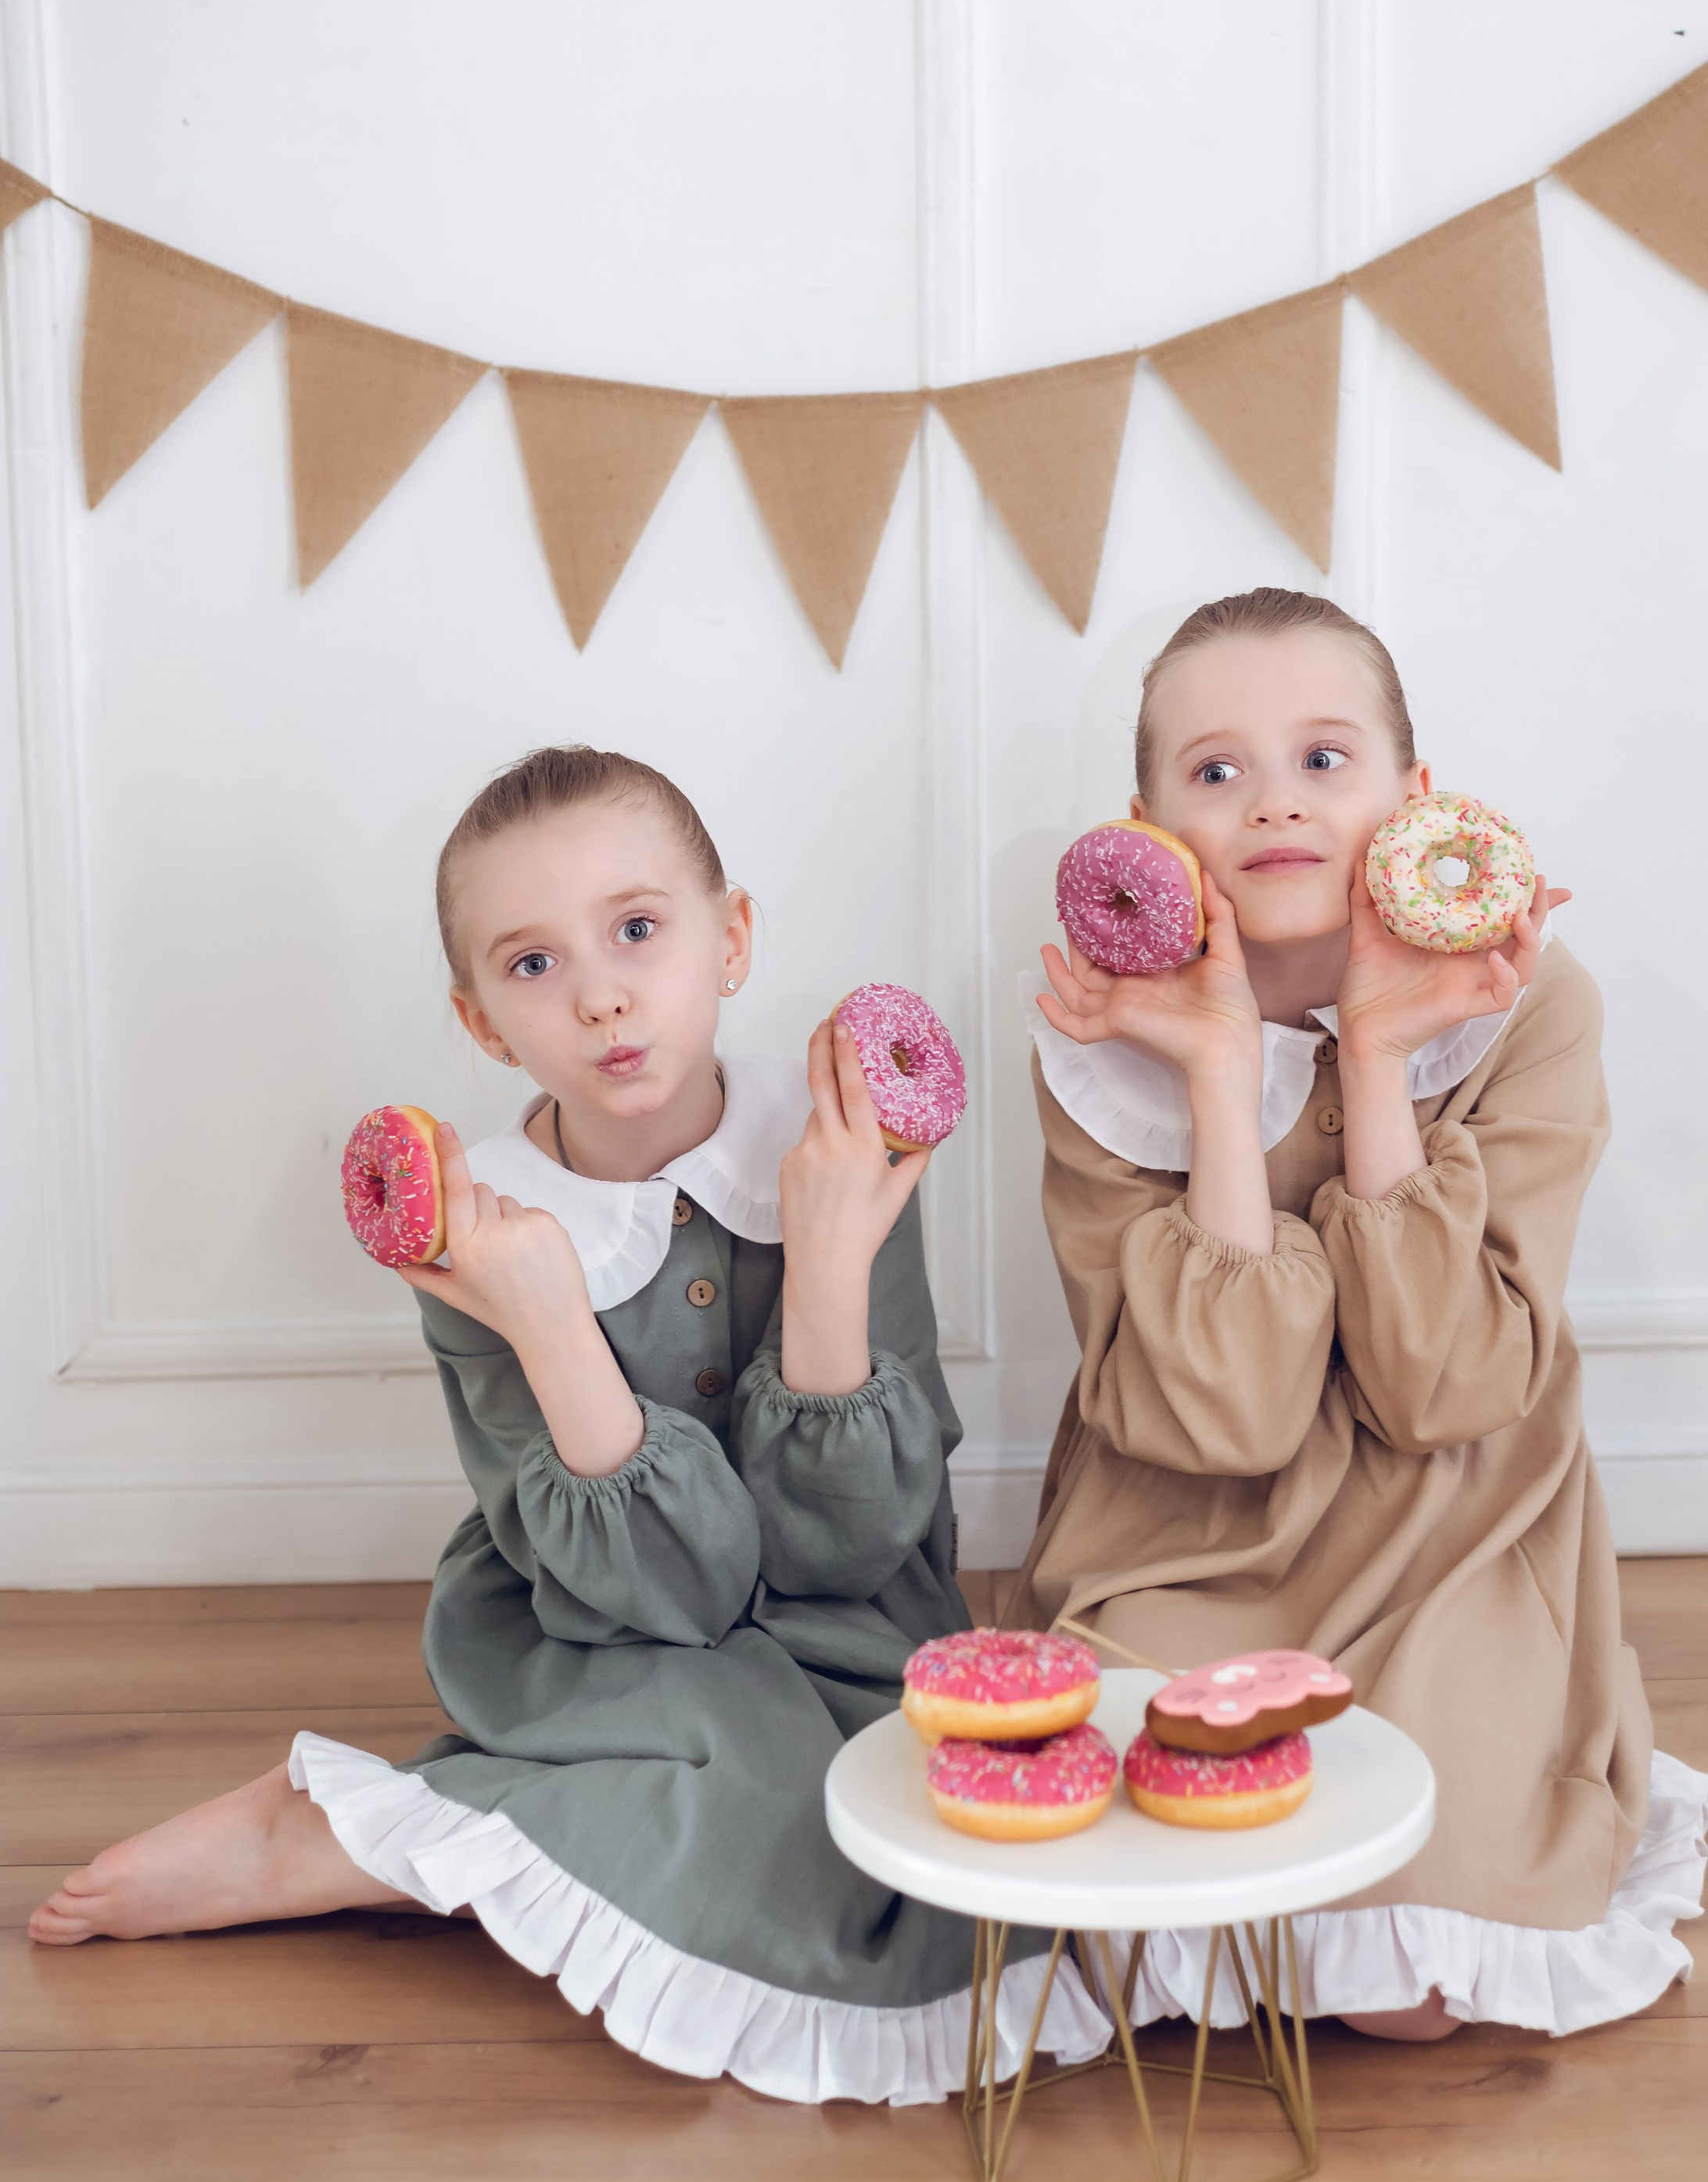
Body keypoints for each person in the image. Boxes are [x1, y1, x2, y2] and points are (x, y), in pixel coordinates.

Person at [30, 745, 1103, 2103]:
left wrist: (830, 1261)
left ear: (732, 940)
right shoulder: (476, 1229)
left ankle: (385, 1838)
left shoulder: (840, 1145)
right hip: (607, 1624)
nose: (600, 995)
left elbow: (848, 1549)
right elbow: (676, 1600)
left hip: (850, 1608)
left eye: (638, 930)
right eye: (533, 964)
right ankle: (316, 1843)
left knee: (903, 1827)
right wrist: (544, 1318)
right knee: (752, 1777)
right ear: (482, 1024)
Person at [1013, 587, 1708, 2039]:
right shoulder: (1102, 1034)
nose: (1276, 802)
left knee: (1422, 1972)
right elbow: (1226, 1422)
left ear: (1413, 793)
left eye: (1324, 759)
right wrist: (1218, 1078)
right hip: (1191, 1523)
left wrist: (1380, 1059)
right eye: (1217, 771)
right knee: (1153, 1888)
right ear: (1146, 826)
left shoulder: (1528, 1003)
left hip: (1456, 1513)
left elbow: (1444, 1391)